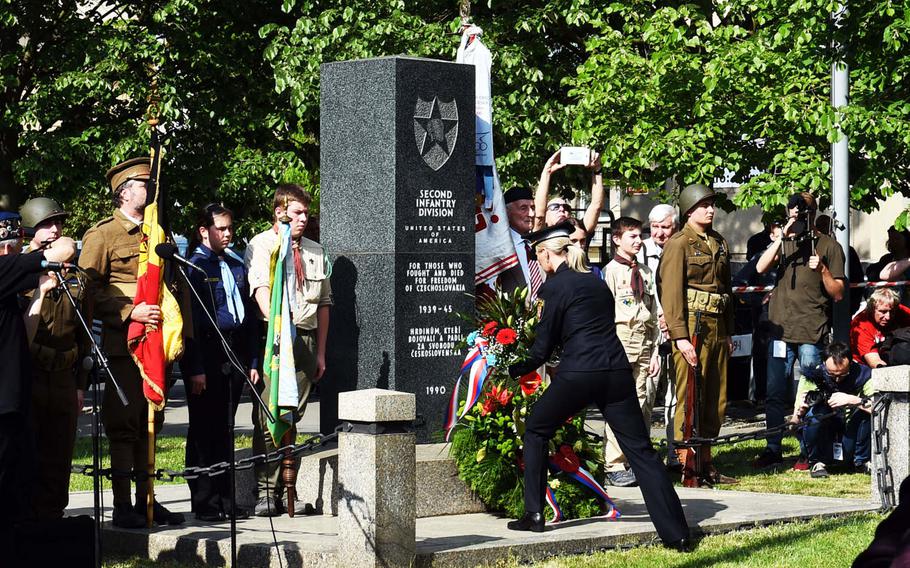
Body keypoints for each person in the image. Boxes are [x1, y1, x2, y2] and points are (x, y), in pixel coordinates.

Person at [505, 222, 689, 551]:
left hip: (579, 374)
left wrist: (510, 367)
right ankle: (677, 532)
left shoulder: (553, 288)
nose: (539, 263)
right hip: (616, 371)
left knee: (535, 430)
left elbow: (541, 350)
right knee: (641, 450)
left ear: (546, 255)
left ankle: (534, 514)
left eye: (539, 257)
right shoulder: (596, 282)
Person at [78, 157, 185, 528]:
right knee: (124, 423)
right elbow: (87, 289)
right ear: (124, 192)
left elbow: (173, 286)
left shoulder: (160, 234)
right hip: (124, 343)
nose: (150, 187)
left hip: (159, 340)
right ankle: (123, 506)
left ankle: (147, 500)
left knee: (150, 419)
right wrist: (129, 311)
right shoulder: (102, 235)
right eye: (143, 182)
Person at [244, 184, 332, 517]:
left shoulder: (315, 250)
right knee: (270, 417)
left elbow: (324, 303)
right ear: (279, 212)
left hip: (307, 340)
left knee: (293, 417)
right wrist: (279, 327)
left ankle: (287, 490)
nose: (303, 219)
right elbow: (261, 292)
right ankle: (266, 492)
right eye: (297, 213)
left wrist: (320, 352)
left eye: (306, 213)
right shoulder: (263, 244)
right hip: (276, 340)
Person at [752, 192, 845, 470]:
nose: (795, 216)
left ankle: (810, 451)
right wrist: (782, 237)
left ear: (812, 214)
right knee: (774, 392)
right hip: (780, 331)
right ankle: (773, 448)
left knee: (811, 392)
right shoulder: (784, 244)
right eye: (791, 211)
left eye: (800, 213)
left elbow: (839, 293)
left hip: (810, 331)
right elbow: (759, 267)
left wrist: (824, 271)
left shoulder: (828, 245)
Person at [179, 204, 257, 521]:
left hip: (234, 352)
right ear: (203, 231)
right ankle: (205, 500)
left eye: (229, 228)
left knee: (225, 427)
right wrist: (195, 368)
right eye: (220, 229)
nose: (227, 234)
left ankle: (226, 497)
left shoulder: (234, 264)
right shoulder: (194, 268)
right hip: (207, 354)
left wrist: (251, 358)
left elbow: (249, 318)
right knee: (203, 428)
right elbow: (191, 324)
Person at [659, 183, 737, 484]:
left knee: (715, 398)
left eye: (712, 204)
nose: (710, 209)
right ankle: (686, 463)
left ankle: (707, 462)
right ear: (689, 209)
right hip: (691, 327)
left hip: (716, 327)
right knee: (690, 395)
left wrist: (729, 331)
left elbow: (725, 290)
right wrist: (679, 336)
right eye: (704, 205)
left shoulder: (718, 242)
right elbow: (671, 294)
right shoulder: (679, 244)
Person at [0, 211, 69, 546]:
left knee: (18, 484)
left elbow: (22, 337)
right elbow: (65, 249)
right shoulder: (3, 270)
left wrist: (41, 294)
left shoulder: (8, 280)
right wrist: (45, 255)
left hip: (13, 396)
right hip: (3, 401)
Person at [19, 198, 85, 520]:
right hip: (29, 373)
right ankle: (26, 519)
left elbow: (84, 335)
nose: (55, 230)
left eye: (59, 223)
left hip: (63, 376)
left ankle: (53, 517)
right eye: (47, 224)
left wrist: (80, 384)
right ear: (31, 228)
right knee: (29, 452)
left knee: (60, 453)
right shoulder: (21, 270)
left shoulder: (74, 275)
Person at [601, 217, 662, 487]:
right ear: (617, 239)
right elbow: (605, 315)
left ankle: (636, 459)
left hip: (645, 343)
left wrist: (657, 351)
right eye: (632, 237)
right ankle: (614, 463)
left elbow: (653, 313)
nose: (639, 241)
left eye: (640, 236)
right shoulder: (611, 272)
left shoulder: (646, 272)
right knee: (621, 405)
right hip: (621, 342)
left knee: (643, 403)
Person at [636, 203, 679, 469]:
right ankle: (642, 456)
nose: (659, 233)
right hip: (649, 334)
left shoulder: (681, 249)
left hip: (677, 332)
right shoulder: (638, 251)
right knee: (646, 392)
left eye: (665, 227)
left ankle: (676, 453)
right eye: (655, 227)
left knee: (675, 395)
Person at [790, 342, 874, 478]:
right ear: (824, 363)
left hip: (849, 433)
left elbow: (878, 407)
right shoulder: (814, 375)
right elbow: (795, 418)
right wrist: (800, 414)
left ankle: (861, 461)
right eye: (832, 375)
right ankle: (817, 462)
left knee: (864, 413)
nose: (837, 379)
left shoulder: (863, 374)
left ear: (851, 364)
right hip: (825, 434)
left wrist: (853, 400)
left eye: (842, 374)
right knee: (815, 413)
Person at [531, 148, 604, 234]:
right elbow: (539, 213)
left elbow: (596, 206)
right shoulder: (540, 234)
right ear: (546, 215)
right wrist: (547, 172)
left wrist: (597, 170)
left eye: (566, 208)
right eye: (555, 207)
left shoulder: (578, 230)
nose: (562, 209)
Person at [495, 187, 544, 298]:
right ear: (506, 212)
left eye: (532, 208)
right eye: (523, 208)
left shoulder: (539, 244)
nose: (531, 214)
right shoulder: (497, 248)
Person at [850, 288, 910, 368]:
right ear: (872, 309)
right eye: (883, 312)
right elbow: (874, 362)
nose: (888, 317)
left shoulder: (899, 310)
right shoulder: (861, 325)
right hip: (865, 366)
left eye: (891, 312)